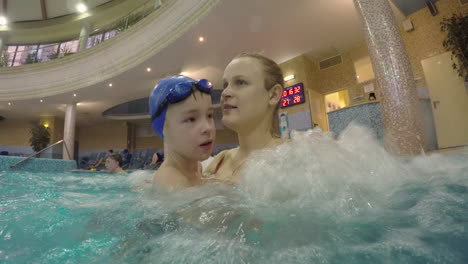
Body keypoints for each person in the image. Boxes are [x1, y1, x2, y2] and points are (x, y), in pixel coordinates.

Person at [204, 53, 286, 184]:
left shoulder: (292, 159)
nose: (225, 93)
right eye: (225, 85)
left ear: (273, 95)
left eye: (240, 82)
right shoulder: (219, 161)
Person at [148, 75, 215, 191]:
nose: (207, 128)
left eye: (209, 115)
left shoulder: (196, 166)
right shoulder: (172, 183)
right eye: (191, 119)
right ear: (164, 129)